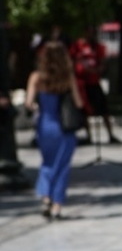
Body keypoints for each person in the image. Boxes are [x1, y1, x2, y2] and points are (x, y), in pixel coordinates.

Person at [24, 42, 84, 220]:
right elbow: (79, 103)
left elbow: (29, 103)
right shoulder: (68, 78)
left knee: (47, 163)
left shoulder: (36, 77)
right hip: (64, 128)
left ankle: (45, 198)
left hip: (45, 126)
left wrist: (37, 106)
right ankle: (57, 206)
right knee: (62, 167)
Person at [69, 28, 121, 144]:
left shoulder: (96, 46)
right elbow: (74, 63)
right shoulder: (77, 46)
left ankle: (111, 135)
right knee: (85, 111)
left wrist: (98, 69)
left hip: (94, 82)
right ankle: (89, 136)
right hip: (82, 83)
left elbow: (102, 62)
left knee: (104, 109)